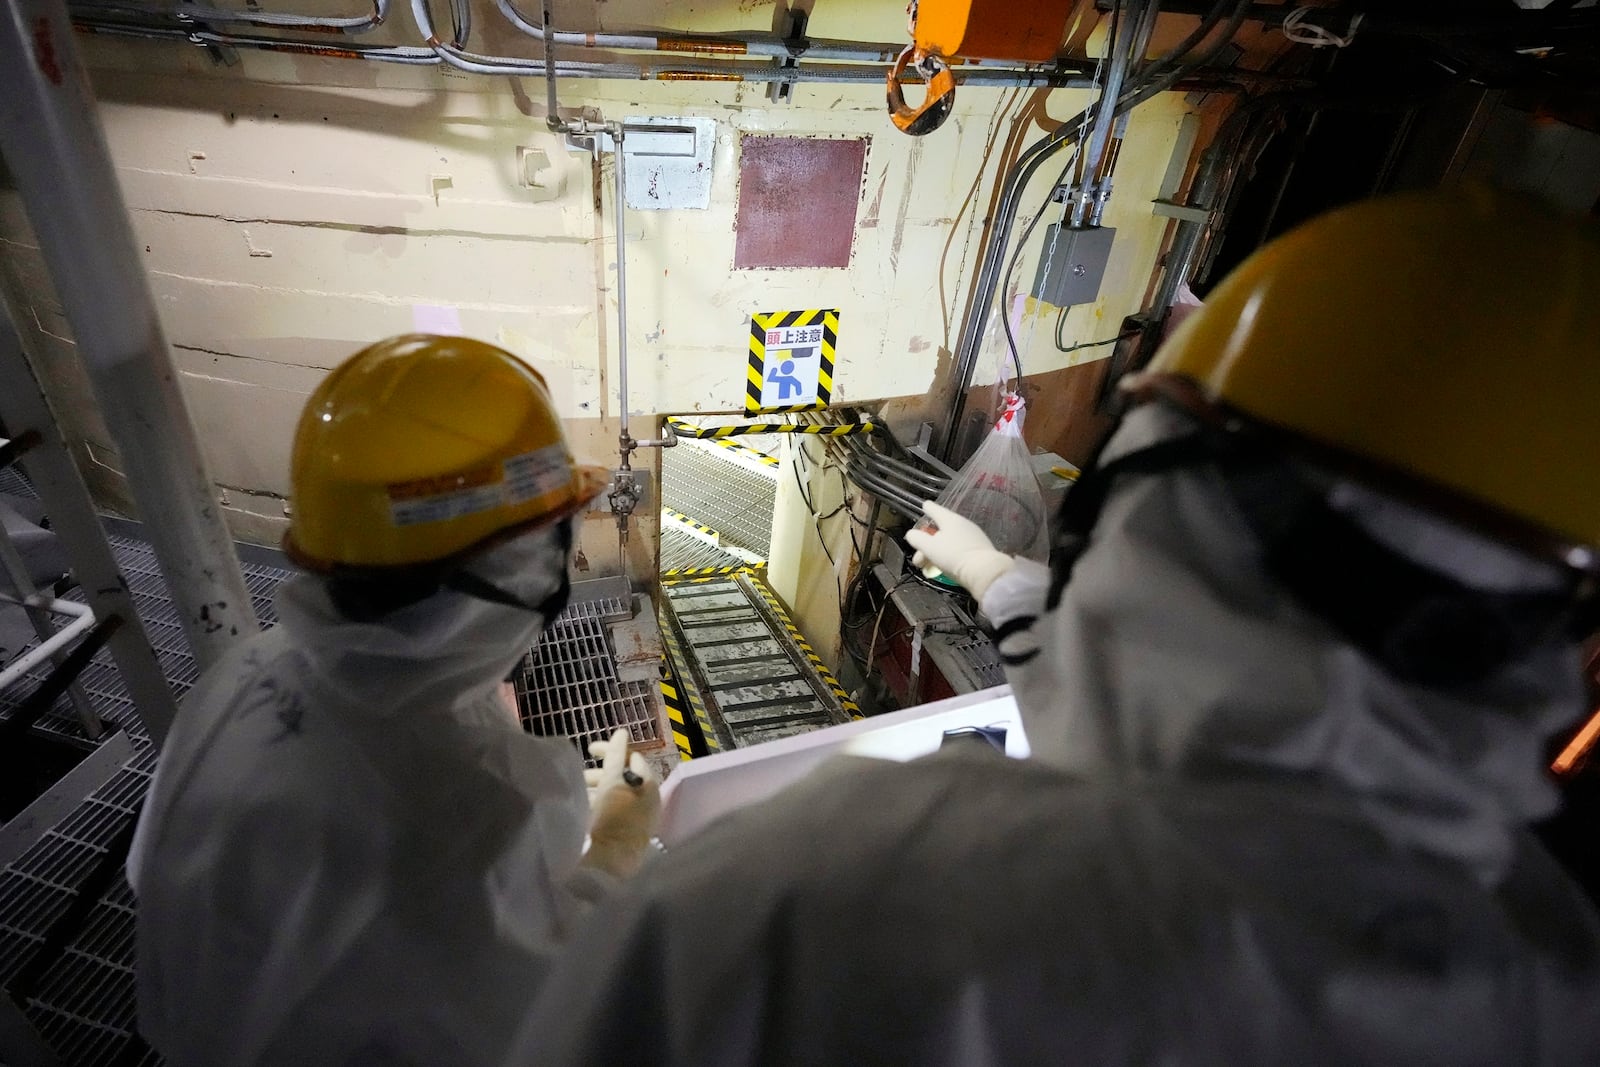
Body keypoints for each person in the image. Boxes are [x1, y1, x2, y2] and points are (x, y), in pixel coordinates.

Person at [507, 189, 1600, 1065]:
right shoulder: (1549, 970)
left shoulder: (818, 889)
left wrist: (609, 851)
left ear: (1144, 502)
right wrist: (992, 575)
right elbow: (1193, 689)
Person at [128, 335, 660, 1067]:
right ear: (511, 566)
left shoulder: (248, 671)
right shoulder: (464, 817)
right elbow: (564, 1015)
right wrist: (613, 854)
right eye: (557, 539)